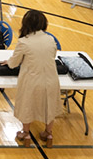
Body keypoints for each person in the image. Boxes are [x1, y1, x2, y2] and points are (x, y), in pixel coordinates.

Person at [6, 9, 61, 147]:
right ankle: (48, 133)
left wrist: (8, 61)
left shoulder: (24, 42)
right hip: (51, 79)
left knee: (28, 105)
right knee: (49, 105)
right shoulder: (50, 39)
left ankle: (26, 133)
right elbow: (52, 56)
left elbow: (13, 64)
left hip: (32, 80)